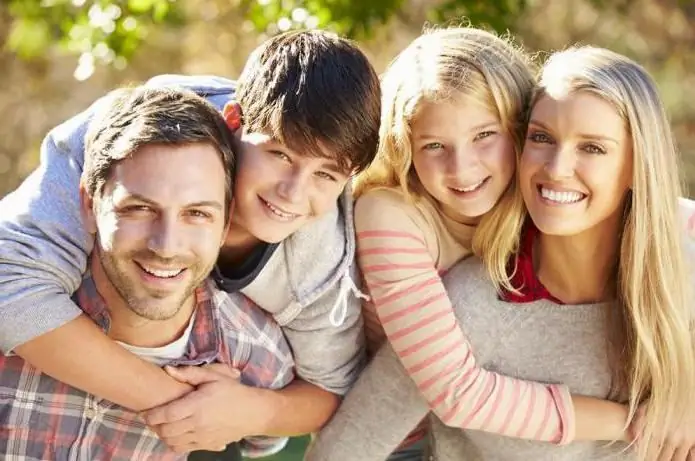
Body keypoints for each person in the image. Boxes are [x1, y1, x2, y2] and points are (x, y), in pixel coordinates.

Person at [308, 45, 695, 460]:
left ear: (639, 165)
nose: (558, 167)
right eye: (542, 138)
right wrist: (642, 420)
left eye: (593, 148)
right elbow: (352, 444)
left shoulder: (678, 264)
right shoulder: (469, 304)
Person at [0, 29, 380, 451]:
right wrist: (182, 406)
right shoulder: (128, 140)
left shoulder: (317, 267)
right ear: (234, 122)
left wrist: (251, 412)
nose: (291, 192)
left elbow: (334, 392)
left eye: (326, 174)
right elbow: (9, 287)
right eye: (279, 155)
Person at [0, 85, 295, 460]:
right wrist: (185, 404)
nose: (166, 246)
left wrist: (256, 412)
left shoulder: (256, 356)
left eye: (197, 213)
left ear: (225, 223)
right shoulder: (21, 295)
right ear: (89, 205)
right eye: (140, 209)